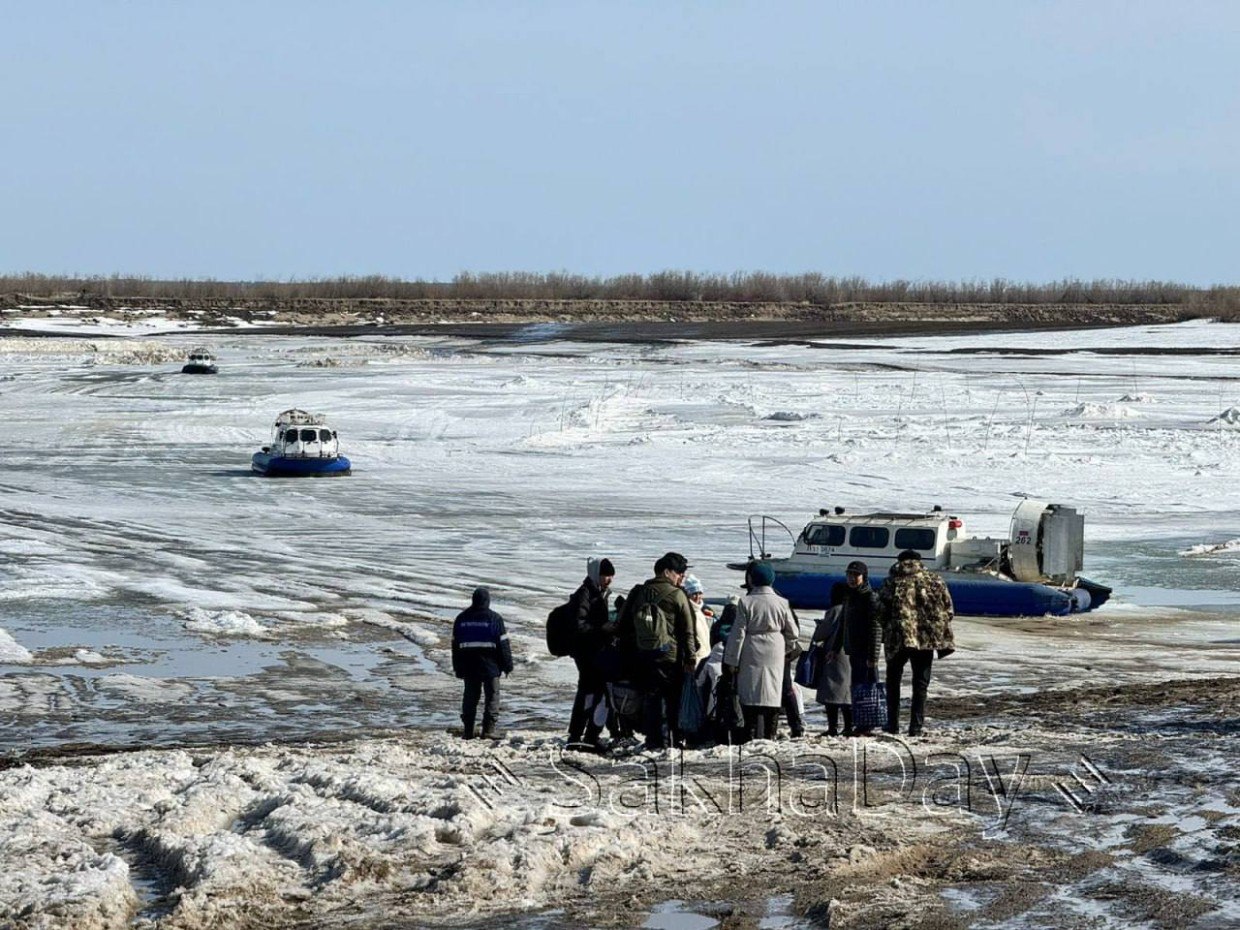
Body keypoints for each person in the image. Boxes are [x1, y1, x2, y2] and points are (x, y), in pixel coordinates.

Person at [616, 551, 699, 750]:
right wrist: (690, 657)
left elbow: (623, 625)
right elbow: (688, 630)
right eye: (679, 572)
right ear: (667, 572)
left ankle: (653, 740)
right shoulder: (677, 595)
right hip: (670, 656)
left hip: (643, 655)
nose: (681, 577)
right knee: (672, 700)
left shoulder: (639, 592)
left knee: (651, 698)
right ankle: (671, 741)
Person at [879, 550, 956, 737]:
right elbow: (949, 610)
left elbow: (881, 610)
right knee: (921, 684)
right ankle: (916, 727)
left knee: (893, 682)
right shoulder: (935, 580)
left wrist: (889, 627)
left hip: (897, 638)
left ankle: (892, 724)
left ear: (899, 561)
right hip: (925, 640)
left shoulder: (891, 582)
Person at [723, 561, 799, 742]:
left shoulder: (746, 602)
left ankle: (749, 734)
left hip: (751, 649)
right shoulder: (782, 602)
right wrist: (785, 649)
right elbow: (794, 633)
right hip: (775, 649)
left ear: (751, 579)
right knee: (772, 692)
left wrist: (732, 660)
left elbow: (738, 634)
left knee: (750, 693)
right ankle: (769, 734)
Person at [451, 587, 514, 739]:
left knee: (470, 698)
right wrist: (508, 665)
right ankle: (488, 730)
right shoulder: (495, 619)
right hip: (490, 666)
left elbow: (455, 646)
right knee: (492, 697)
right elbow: (503, 646)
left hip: (469, 665)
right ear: (487, 601)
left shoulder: (461, 619)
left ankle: (468, 731)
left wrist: (457, 667)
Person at [566, 557, 615, 750]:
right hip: (587, 653)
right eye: (605, 575)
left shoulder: (598, 592)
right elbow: (579, 625)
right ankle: (582, 736)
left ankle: (586, 735)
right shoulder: (585, 594)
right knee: (591, 693)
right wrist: (602, 629)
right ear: (596, 574)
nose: (609, 579)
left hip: (594, 651)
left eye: (611, 576)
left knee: (595, 693)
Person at [811, 604, 851, 735]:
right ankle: (849, 726)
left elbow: (822, 633)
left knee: (832, 691)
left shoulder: (835, 610)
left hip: (834, 654)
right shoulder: (855, 607)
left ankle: (832, 727)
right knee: (848, 692)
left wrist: (819, 627)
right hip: (852, 651)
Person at [682, 574, 714, 666]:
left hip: (705, 657)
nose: (697, 597)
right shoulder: (687, 612)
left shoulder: (700, 611)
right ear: (688, 595)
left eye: (700, 593)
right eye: (694, 594)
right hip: (695, 659)